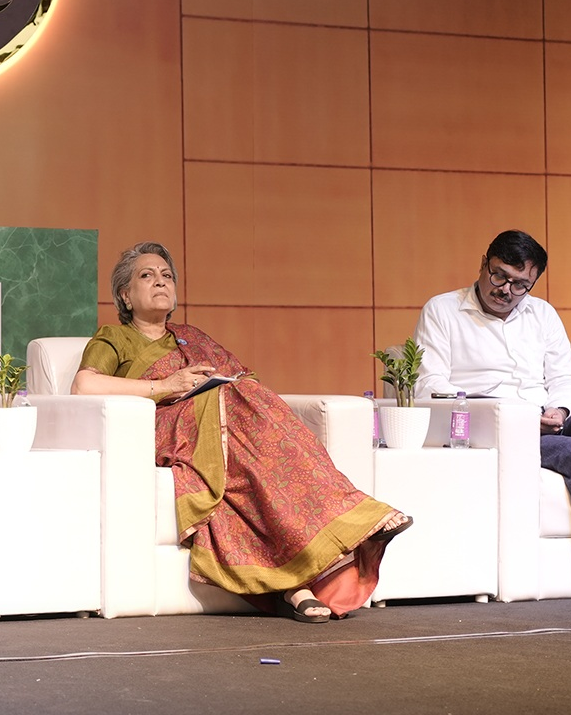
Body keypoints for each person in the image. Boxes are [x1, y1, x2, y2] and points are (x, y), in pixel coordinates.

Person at [71, 242, 413, 622]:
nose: (161, 282)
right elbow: (84, 385)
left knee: (252, 454)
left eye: (167, 275)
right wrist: (166, 385)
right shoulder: (114, 337)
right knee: (241, 405)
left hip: (218, 424)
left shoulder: (191, 336)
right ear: (125, 295)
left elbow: (241, 377)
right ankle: (356, 515)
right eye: (147, 275)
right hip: (165, 426)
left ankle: (297, 587)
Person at [413, 230, 571, 599]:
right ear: (483, 264)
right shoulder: (442, 310)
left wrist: (559, 409)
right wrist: (509, 413)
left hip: (548, 415)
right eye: (499, 276)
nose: (506, 290)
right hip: (499, 426)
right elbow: (430, 385)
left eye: (520, 285)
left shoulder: (542, 314)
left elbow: (567, 376)